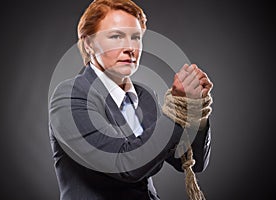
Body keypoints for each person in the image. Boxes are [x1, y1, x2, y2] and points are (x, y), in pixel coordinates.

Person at [48, 0, 213, 199]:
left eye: (135, 37)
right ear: (89, 44)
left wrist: (196, 109)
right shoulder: (70, 96)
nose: (129, 48)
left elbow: (188, 160)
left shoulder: (145, 97)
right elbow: (124, 164)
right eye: (116, 36)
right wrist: (178, 109)